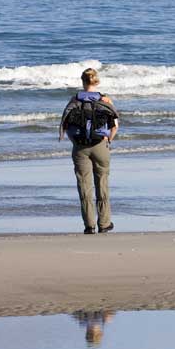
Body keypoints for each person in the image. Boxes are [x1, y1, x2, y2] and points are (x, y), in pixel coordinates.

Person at [59, 68, 119, 234]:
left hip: (79, 147)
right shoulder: (105, 100)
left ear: (82, 81)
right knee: (102, 184)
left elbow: (65, 125)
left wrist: (74, 141)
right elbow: (115, 126)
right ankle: (104, 223)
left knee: (84, 186)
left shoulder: (74, 99)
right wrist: (108, 139)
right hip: (101, 145)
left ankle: (89, 225)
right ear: (96, 81)